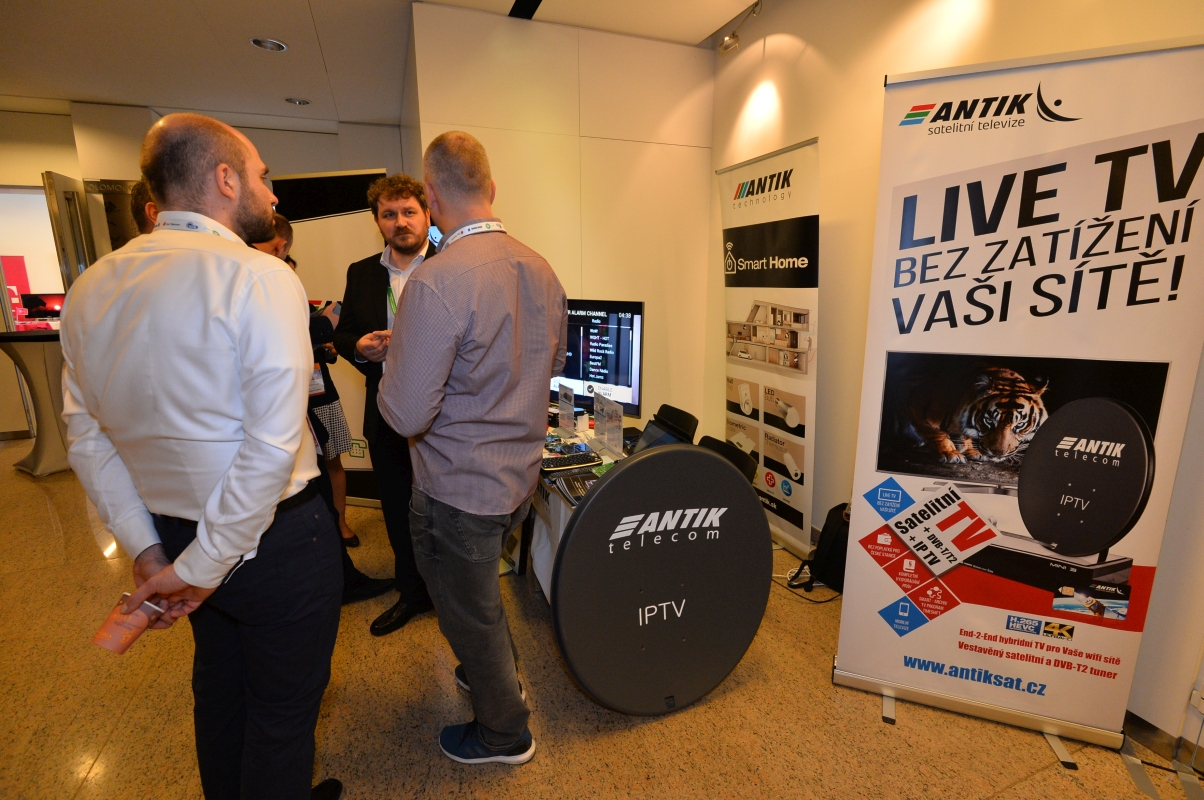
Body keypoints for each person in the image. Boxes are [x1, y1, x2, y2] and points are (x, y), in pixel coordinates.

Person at [62, 113, 344, 800]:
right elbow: (271, 445)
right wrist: (202, 569)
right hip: (275, 543)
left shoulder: (91, 287)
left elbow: (87, 437)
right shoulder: (260, 276)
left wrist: (150, 551)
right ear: (224, 179)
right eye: (262, 176)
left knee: (221, 689)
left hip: (173, 535)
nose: (272, 194)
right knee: (282, 712)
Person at [378, 131, 567, 765]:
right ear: (491, 187)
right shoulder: (541, 268)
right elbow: (548, 368)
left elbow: (406, 413)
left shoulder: (435, 282)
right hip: (518, 478)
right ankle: (495, 673)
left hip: (456, 491)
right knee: (481, 598)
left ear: (430, 197)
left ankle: (504, 732)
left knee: (466, 611)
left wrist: (394, 363)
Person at [332, 174, 436, 637]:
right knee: (396, 505)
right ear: (377, 221)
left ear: (427, 215)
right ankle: (411, 592)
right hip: (386, 410)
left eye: (409, 212)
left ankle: (449, 593)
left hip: (445, 416)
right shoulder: (362, 273)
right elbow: (343, 333)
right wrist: (359, 347)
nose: (400, 222)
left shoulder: (452, 264)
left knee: (445, 509)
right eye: (389, 214)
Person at [253, 216, 361, 548]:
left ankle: (340, 523)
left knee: (332, 459)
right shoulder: (252, 291)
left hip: (319, 393)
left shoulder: (300, 296)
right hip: (284, 399)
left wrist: (324, 346)